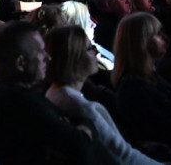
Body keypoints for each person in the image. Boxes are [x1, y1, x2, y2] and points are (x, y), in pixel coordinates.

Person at [46, 25, 161, 165]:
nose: (95, 53)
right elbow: (124, 156)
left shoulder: (55, 92)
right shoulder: (82, 108)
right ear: (74, 56)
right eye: (89, 48)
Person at [0, 21, 93, 165]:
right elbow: (81, 146)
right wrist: (86, 124)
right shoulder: (18, 102)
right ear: (20, 63)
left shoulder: (3, 93)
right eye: (40, 52)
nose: (48, 58)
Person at [113, 12, 171, 148]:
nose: (164, 38)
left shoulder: (150, 76)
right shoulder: (133, 87)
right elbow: (160, 131)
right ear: (143, 41)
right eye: (158, 34)